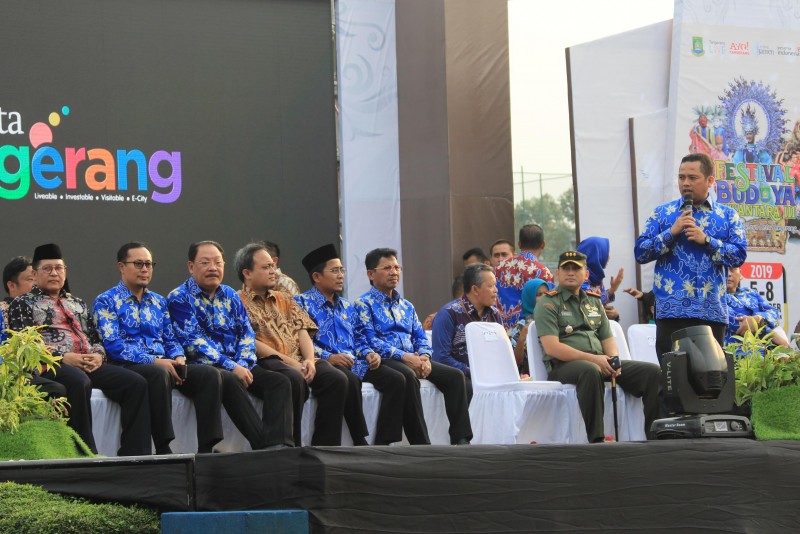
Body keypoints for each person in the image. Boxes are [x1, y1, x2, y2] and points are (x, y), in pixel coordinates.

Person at [8, 243, 151, 455]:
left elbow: (94, 338)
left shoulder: (77, 303)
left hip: (87, 362)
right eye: (47, 269)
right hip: (52, 365)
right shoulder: (22, 303)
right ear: (35, 274)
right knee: (78, 381)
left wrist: (98, 355)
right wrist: (63, 357)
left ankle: (136, 455)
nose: (54, 273)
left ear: (65, 271)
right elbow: (26, 345)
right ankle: (84, 452)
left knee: (135, 383)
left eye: (59, 268)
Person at [93, 242, 227, 454]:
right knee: (158, 373)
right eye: (138, 264)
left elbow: (170, 338)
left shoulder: (158, 302)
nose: (145, 269)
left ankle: (206, 447)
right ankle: (163, 446)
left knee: (209, 374)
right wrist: (156, 361)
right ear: (121, 266)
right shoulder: (106, 301)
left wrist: (178, 357)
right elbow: (114, 346)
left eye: (148, 264)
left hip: (163, 363)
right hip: (129, 365)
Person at [167, 240, 294, 450]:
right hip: (205, 366)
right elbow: (193, 342)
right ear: (191, 266)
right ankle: (263, 447)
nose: (213, 268)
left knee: (279, 382)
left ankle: (280, 444)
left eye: (218, 262)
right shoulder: (179, 298)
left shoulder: (230, 295)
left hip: (238, 364)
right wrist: (232, 366)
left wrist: (242, 363)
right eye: (205, 263)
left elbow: (246, 333)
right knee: (229, 378)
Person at [534, 251, 661, 443]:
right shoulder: (548, 303)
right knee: (590, 370)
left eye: (576, 268)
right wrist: (595, 359)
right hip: (564, 366)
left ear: (586, 274)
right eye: (566, 268)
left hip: (600, 361)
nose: (570, 272)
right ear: (557, 273)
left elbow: (607, 338)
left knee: (652, 373)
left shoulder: (594, 301)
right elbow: (552, 348)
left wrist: (613, 361)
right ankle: (597, 439)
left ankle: (656, 436)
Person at [354, 248, 473, 445]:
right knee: (407, 376)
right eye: (387, 268)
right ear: (371, 274)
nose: (394, 272)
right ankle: (421, 443)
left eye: (397, 267)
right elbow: (370, 340)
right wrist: (406, 357)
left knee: (455, 376)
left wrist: (424, 357)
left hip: (413, 358)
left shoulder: (406, 306)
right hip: (384, 359)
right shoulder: (362, 304)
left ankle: (461, 439)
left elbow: (420, 336)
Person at [634, 153, 747, 360]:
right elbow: (640, 252)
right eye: (681, 177)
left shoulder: (728, 216)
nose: (685, 183)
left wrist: (707, 241)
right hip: (671, 312)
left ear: (710, 180)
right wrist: (671, 232)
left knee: (710, 375)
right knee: (673, 375)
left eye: (692, 178)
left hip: (711, 312)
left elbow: (739, 256)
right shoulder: (662, 214)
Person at [235, 242, 348, 446]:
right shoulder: (237, 301)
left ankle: (325, 446)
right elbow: (251, 342)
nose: (273, 271)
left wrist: (309, 360)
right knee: (294, 378)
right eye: (266, 267)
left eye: (273, 266)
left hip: (299, 359)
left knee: (337, 379)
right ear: (247, 273)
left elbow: (302, 328)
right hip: (269, 360)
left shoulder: (284, 297)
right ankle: (290, 445)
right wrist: (293, 364)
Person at [295, 244, 405, 446]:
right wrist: (329, 357)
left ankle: (384, 440)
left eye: (342, 270)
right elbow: (299, 342)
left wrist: (369, 353)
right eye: (334, 271)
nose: (341, 276)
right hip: (324, 362)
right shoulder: (301, 303)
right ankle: (358, 437)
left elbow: (359, 337)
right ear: (317, 277)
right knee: (349, 380)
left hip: (355, 362)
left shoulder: (347, 305)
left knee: (396, 379)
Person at [431, 263, 503, 399]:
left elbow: (501, 351)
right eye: (490, 286)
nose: (496, 290)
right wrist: (471, 371)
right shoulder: (448, 314)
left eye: (495, 285)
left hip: (491, 375)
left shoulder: (495, 314)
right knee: (473, 389)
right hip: (461, 377)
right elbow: (440, 358)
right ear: (475, 289)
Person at [495, 224, 554, 327]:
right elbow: (548, 306)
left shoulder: (498, 268)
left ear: (519, 244)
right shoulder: (543, 272)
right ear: (543, 245)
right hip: (528, 330)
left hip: (499, 329)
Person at [723, 266, 789, 349]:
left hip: (766, 352)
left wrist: (758, 319)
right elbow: (741, 323)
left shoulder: (750, 292)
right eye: (724, 269)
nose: (729, 274)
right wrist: (772, 335)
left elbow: (774, 313)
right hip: (737, 353)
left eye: (733, 269)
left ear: (740, 274)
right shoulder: (715, 299)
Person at [507, 278, 550, 376]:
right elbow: (516, 361)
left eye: (546, 293)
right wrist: (522, 338)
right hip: (531, 376)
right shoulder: (521, 326)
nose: (544, 297)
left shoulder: (555, 319)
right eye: (539, 294)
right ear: (529, 298)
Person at [576, 236, 624, 321]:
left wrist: (612, 289)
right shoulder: (580, 277)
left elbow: (598, 300)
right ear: (595, 255)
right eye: (605, 253)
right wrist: (612, 289)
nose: (609, 257)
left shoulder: (595, 276)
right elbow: (590, 302)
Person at [1, 256, 35, 324]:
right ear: (12, 286)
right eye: (30, 279)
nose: (36, 284)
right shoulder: (2, 312)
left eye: (37, 279)